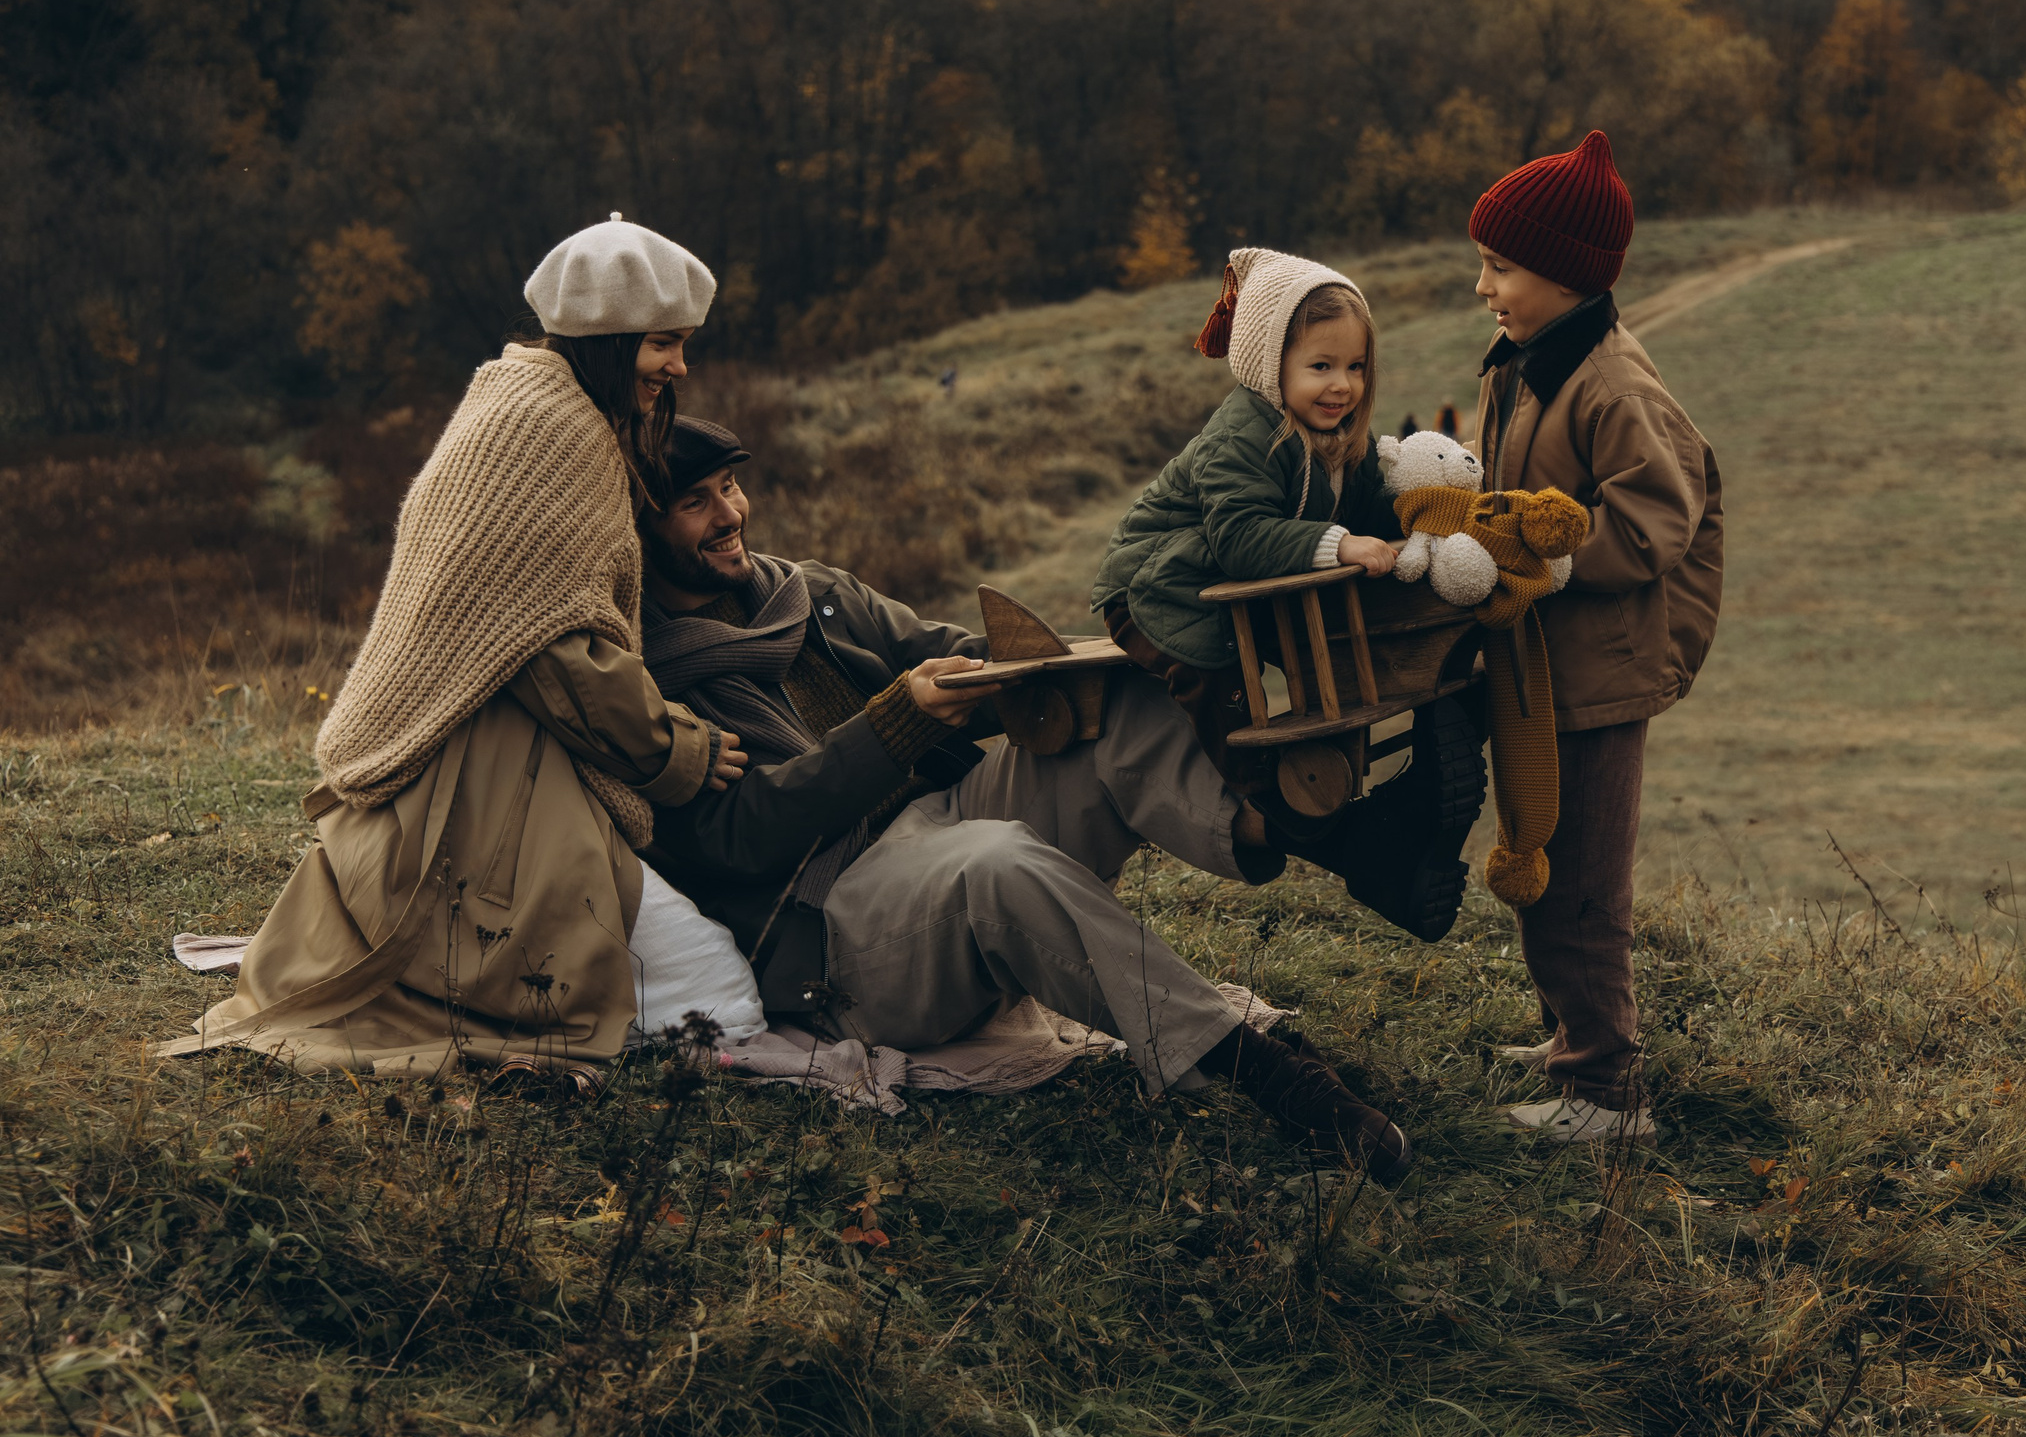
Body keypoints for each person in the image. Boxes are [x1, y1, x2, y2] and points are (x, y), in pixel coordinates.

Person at [635, 418, 1415, 1182]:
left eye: (731, 487)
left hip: (935, 816)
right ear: (644, 521)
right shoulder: (646, 684)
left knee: (1119, 711)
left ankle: (1329, 838)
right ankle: (1266, 1073)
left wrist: (1051, 665)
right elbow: (736, 838)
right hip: (841, 922)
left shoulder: (806, 592)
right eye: (696, 503)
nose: (730, 514)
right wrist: (895, 724)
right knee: (997, 860)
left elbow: (942, 655)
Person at [162, 216, 751, 1087]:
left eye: (683, 343)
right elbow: (563, 654)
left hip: (480, 744)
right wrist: (679, 750)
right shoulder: (556, 434)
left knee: (678, 978)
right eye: (663, 343)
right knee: (721, 996)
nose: (678, 367)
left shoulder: (521, 397)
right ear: (610, 336)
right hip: (479, 777)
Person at [1089, 248, 1484, 942]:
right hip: (1161, 588)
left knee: (1330, 629)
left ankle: (1376, 766)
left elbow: (1371, 516)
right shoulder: (1241, 435)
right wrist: (1338, 544)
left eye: (1355, 367)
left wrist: (1431, 520)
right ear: (1269, 368)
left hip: (1240, 584)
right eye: (1321, 367)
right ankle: (1270, 795)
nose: (1342, 386)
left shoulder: (1338, 439)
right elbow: (1241, 535)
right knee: (1215, 677)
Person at [1464, 133, 1722, 1143]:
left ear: (1567, 274)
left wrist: (1552, 565)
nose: (1483, 285)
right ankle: (1567, 1029)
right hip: (1538, 666)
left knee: (1582, 883)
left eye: (1501, 266)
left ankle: (1605, 1090)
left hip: (1599, 671)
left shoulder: (1612, 386)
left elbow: (1661, 517)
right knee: (1535, 850)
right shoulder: (1530, 365)